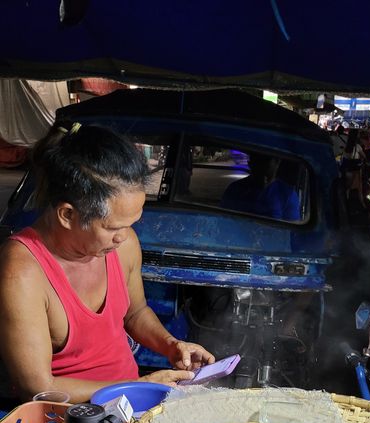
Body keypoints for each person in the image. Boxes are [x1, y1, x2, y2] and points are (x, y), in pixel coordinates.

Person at [0, 122, 215, 403]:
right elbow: (38, 387)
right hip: (64, 422)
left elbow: (135, 313)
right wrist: (138, 386)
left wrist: (172, 346)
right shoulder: (21, 273)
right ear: (68, 215)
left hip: (128, 403)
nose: (123, 238)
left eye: (131, 224)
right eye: (113, 227)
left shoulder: (124, 245)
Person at [221, 152, 300, 221]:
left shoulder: (288, 195)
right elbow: (224, 220)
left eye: (265, 161)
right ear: (250, 164)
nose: (260, 167)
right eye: (257, 161)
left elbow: (290, 232)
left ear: (277, 162)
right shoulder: (234, 189)